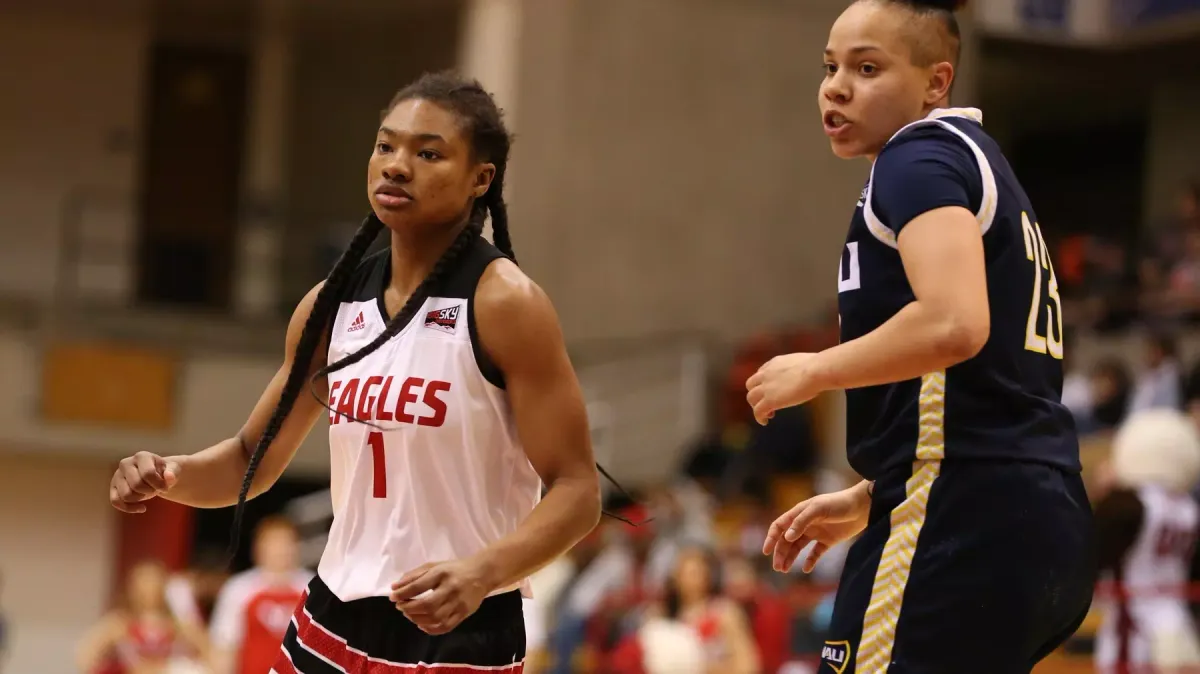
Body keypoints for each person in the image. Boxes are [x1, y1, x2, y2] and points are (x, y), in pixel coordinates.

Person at [109, 71, 603, 672]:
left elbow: (578, 492)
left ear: (481, 178)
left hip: (457, 629)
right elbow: (249, 460)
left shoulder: (506, 304)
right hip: (331, 615)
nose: (396, 165)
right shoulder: (332, 305)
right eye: (385, 145)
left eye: (428, 152)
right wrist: (169, 473)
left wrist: (483, 571)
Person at [745, 1, 1095, 672]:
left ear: (936, 83)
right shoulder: (981, 164)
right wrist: (876, 492)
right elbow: (990, 384)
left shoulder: (918, 158)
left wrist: (817, 370)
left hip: (963, 515)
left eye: (867, 67)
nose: (836, 86)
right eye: (830, 67)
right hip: (1028, 507)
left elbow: (955, 323)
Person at [1093, 409, 1200, 673]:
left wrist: (1104, 494)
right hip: (1176, 619)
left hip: (1132, 624)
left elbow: (1094, 549)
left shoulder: (1128, 504)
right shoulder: (1188, 507)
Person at [208, 517, 311, 674]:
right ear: (258, 547)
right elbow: (224, 645)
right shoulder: (239, 589)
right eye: (274, 543)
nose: (280, 550)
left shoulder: (312, 588)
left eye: (285, 543)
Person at [76, 560, 211, 674]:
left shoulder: (178, 625)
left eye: (155, 583)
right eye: (144, 584)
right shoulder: (119, 622)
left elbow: (210, 652)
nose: (149, 590)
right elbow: (86, 656)